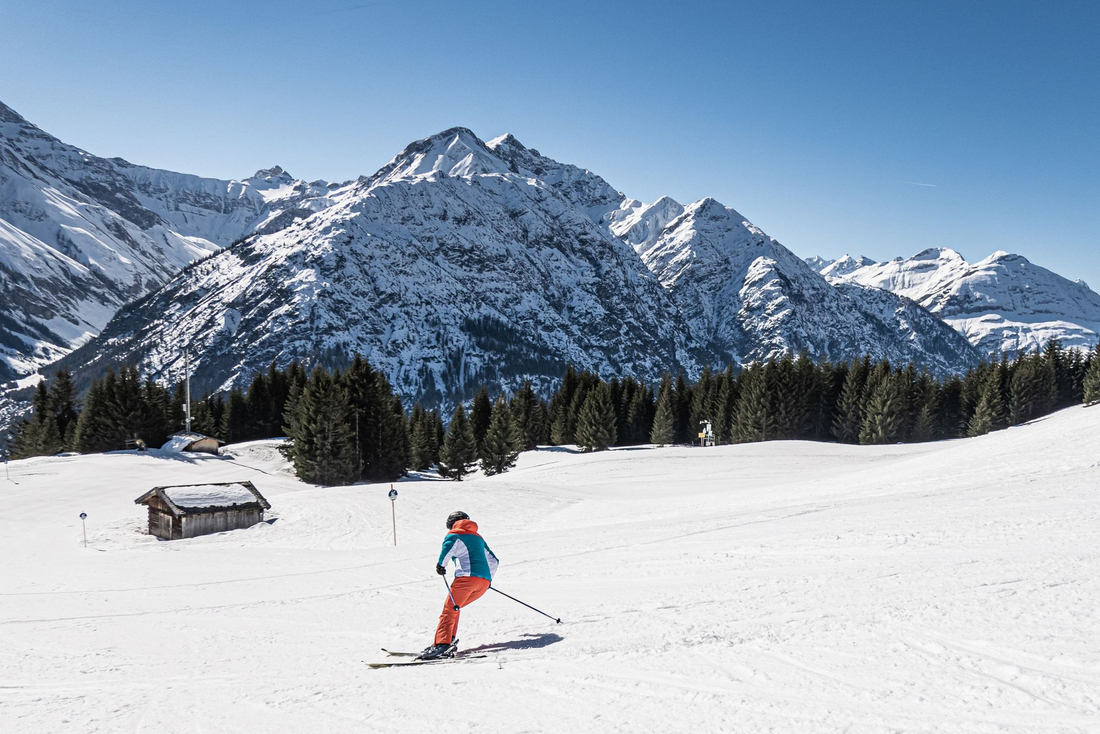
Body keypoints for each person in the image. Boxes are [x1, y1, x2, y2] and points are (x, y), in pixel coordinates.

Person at [417, 511, 499, 660]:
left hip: (466, 580)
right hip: (483, 583)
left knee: (449, 609)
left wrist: (441, 565)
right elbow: (494, 561)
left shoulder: (454, 534)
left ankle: (442, 645)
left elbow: (448, 548)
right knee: (455, 607)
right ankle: (449, 639)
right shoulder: (479, 539)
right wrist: (487, 580)